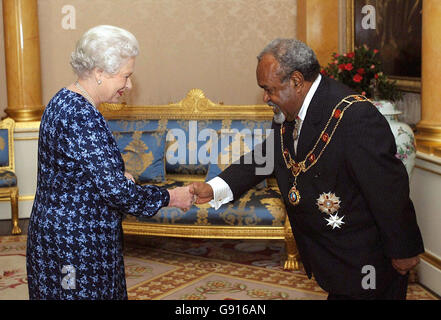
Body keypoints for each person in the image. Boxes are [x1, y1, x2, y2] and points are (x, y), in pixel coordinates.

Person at [191, 38, 424, 300]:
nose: (265, 97)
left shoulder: (355, 116)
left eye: (269, 89)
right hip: (334, 260)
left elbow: (388, 189)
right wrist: (214, 188)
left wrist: (403, 249)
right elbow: (267, 156)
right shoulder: (286, 110)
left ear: (297, 81)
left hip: (366, 262)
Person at [26, 25, 195, 300]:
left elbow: (71, 172)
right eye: (126, 76)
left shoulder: (63, 100)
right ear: (99, 72)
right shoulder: (82, 115)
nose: (129, 85)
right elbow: (117, 193)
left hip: (58, 236)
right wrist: (171, 197)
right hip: (77, 245)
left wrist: (116, 175)